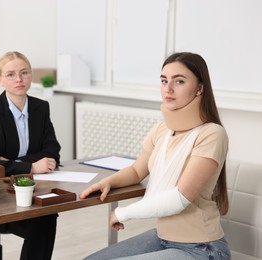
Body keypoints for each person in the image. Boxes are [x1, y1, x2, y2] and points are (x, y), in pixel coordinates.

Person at [80, 52, 231, 260]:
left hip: (202, 249)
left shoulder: (212, 134)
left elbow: (179, 198)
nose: (168, 88)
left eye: (179, 81)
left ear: (199, 88)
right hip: (163, 238)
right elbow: (136, 170)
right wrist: (108, 182)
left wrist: (124, 213)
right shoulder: (162, 130)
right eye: (163, 80)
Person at [0, 51, 61, 260]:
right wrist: (32, 166)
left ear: (31, 75)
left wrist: (10, 162)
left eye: (24, 73)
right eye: (11, 74)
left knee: (46, 215)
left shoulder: (41, 107)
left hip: (34, 188)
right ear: (0, 79)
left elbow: (52, 152)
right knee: (42, 221)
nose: (19, 79)